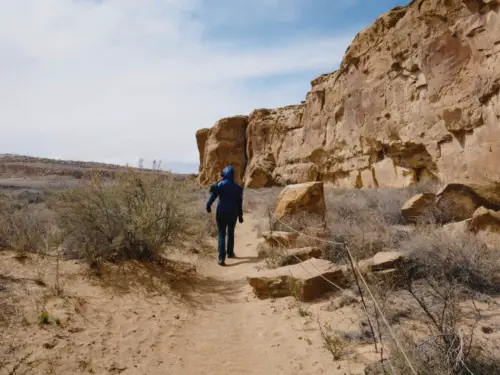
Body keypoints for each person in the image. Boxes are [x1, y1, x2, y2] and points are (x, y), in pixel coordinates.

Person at [206, 166, 244, 266]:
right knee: (231, 233)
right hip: (233, 214)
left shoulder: (220, 185)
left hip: (221, 213)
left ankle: (221, 258)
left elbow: (213, 196)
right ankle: (230, 253)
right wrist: (240, 216)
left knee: (222, 234)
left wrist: (208, 205)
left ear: (225, 174)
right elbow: (239, 203)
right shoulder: (238, 187)